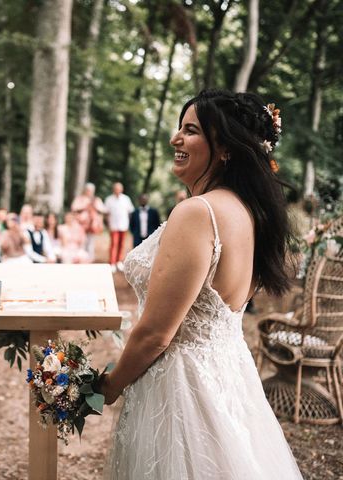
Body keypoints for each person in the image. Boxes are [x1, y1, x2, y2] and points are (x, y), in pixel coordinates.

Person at [100, 89, 302, 479]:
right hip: (228, 377)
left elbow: (157, 333)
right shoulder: (247, 211)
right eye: (179, 128)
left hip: (181, 390)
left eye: (190, 130)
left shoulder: (198, 213)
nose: (176, 138)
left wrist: (111, 385)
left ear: (225, 148)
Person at [104, 182, 134, 272]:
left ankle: (118, 261)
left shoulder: (126, 199)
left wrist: (129, 223)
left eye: (119, 188)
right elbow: (106, 213)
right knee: (114, 244)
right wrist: (108, 224)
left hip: (123, 225)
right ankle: (112, 262)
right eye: (116, 188)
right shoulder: (109, 199)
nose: (117, 190)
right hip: (113, 225)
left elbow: (130, 211)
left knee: (121, 244)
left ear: (121, 189)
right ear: (113, 189)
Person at [71, 182, 105, 259]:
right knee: (81, 242)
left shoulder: (96, 199)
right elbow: (74, 208)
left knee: (90, 243)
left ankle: (89, 259)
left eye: (91, 190)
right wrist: (85, 207)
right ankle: (80, 258)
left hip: (92, 225)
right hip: (81, 225)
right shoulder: (79, 199)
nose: (89, 192)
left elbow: (102, 210)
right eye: (88, 190)